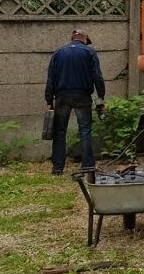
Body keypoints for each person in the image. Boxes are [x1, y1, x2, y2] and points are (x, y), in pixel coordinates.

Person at [45, 29, 106, 175]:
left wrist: (49, 99)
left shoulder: (58, 53)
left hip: (62, 96)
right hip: (82, 96)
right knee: (85, 130)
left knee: (60, 131)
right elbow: (97, 76)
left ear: (72, 38)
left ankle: (58, 168)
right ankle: (87, 167)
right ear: (84, 38)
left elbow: (51, 78)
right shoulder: (89, 52)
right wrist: (101, 96)